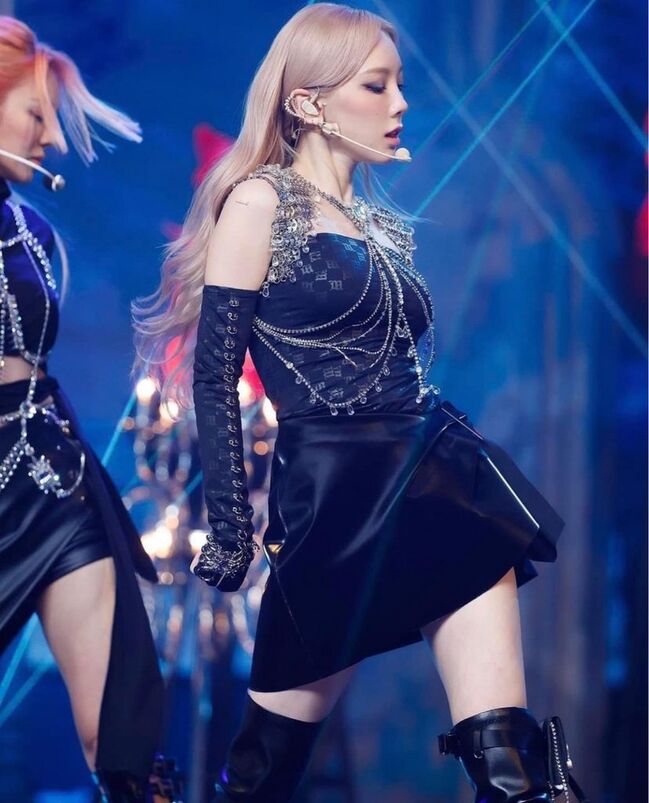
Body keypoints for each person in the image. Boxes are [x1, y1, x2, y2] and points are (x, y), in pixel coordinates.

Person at [133, 5, 587, 802]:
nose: (400, 103)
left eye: (400, 84)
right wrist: (232, 525)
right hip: (334, 501)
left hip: (439, 476)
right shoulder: (258, 204)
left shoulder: (382, 225)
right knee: (263, 775)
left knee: (510, 767)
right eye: (376, 86)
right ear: (308, 103)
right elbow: (214, 373)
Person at [0, 16, 174, 802]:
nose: (51, 141)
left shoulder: (33, 231)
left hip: (51, 477)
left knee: (119, 733)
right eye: (36, 116)